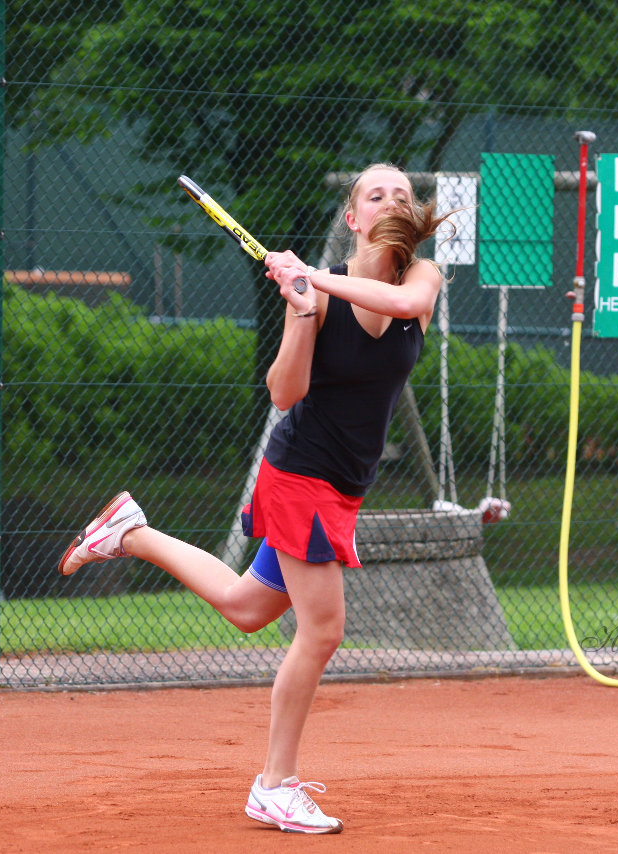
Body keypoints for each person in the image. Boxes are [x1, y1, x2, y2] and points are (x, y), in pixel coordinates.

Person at [58, 163, 451, 834]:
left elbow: (406, 309)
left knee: (246, 608)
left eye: (403, 195)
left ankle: (130, 532)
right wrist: (301, 311)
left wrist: (313, 277)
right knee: (323, 630)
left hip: (343, 488)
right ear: (352, 218)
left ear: (411, 219)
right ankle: (275, 783)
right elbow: (283, 393)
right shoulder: (318, 298)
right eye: (375, 193)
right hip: (302, 475)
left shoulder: (421, 278)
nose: (393, 199)